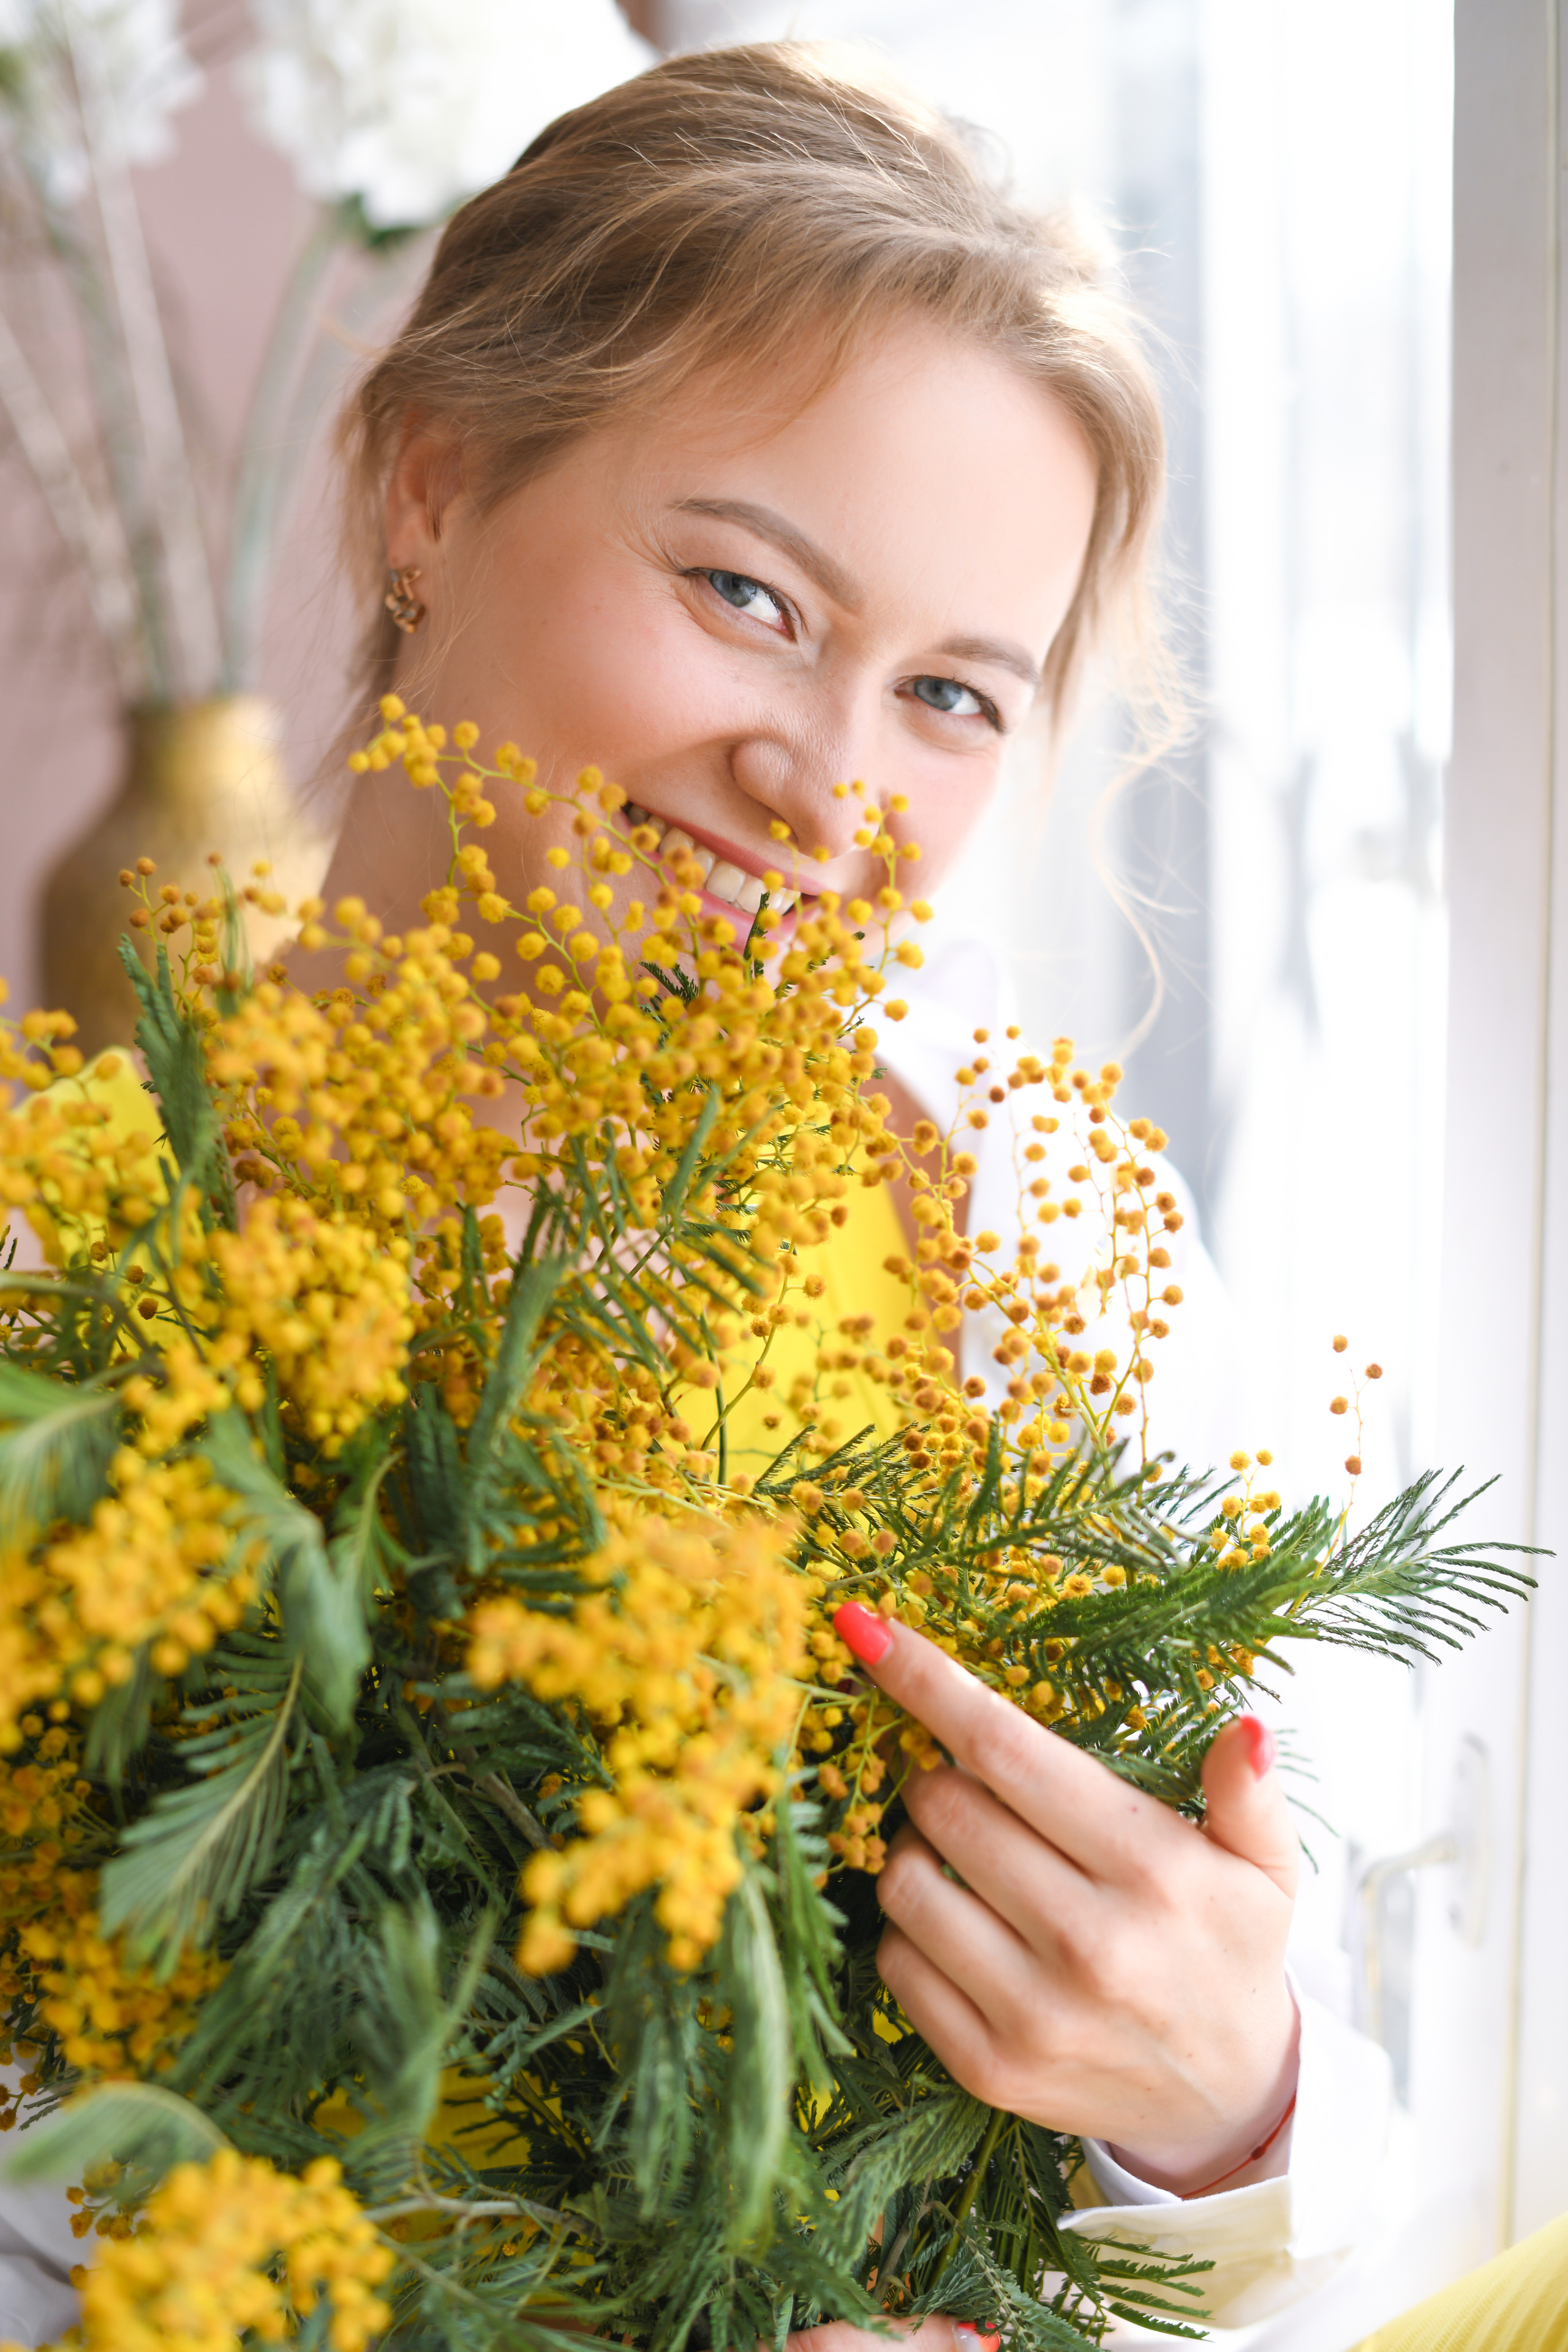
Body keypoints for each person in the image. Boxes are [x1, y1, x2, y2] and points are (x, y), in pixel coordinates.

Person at [0, 39, 1400, 2350]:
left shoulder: (1044, 1241)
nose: (826, 776)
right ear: (428, 488)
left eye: (954, 696)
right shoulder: (69, 1307)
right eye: (750, 595)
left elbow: (1286, 2206)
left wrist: (1216, 2096)